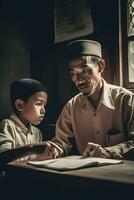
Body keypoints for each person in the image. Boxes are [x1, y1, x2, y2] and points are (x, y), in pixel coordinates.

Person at [45, 39, 134, 160]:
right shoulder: (71, 107)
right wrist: (55, 150)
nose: (79, 80)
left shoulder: (126, 100)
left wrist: (109, 152)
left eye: (85, 71)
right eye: (73, 73)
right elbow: (62, 144)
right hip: (85, 176)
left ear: (100, 66)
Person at [0, 78, 56, 167]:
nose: (43, 110)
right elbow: (2, 157)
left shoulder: (37, 132)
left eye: (44, 105)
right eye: (38, 104)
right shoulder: (8, 125)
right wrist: (31, 148)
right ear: (20, 105)